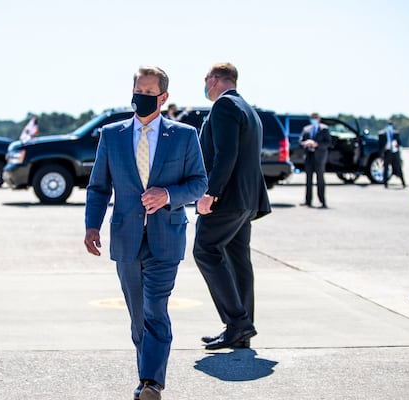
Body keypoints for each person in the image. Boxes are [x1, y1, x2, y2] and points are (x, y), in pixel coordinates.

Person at [84, 66, 207, 400]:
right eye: (138, 90)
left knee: (155, 308)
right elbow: (98, 187)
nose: (141, 97)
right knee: (138, 315)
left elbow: (198, 183)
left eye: (149, 93)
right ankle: (146, 376)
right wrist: (91, 225)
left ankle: (152, 382)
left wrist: (167, 195)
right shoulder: (112, 134)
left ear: (164, 97)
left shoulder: (183, 135)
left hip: (166, 237)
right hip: (126, 238)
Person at [193, 62, 271, 351]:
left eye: (205, 80)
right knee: (238, 261)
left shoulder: (224, 106)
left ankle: (238, 322)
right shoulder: (248, 108)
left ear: (214, 79)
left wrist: (211, 193)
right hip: (247, 200)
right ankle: (241, 329)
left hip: (226, 199)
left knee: (205, 250)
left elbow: (227, 154)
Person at [299, 112, 331, 208]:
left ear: (319, 119)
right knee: (308, 179)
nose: (313, 119)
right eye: (312, 118)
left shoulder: (324, 129)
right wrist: (306, 143)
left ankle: (322, 201)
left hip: (319, 157)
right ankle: (308, 201)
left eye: (315, 118)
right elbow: (300, 141)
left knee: (320, 179)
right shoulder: (306, 129)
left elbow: (328, 142)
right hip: (309, 156)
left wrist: (317, 144)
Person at [378, 120, 406, 188]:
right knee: (386, 168)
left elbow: (399, 143)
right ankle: (385, 183)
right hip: (387, 152)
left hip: (394, 152)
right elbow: (380, 145)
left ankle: (403, 182)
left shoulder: (395, 133)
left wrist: (397, 145)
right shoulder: (382, 133)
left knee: (398, 167)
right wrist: (381, 154)